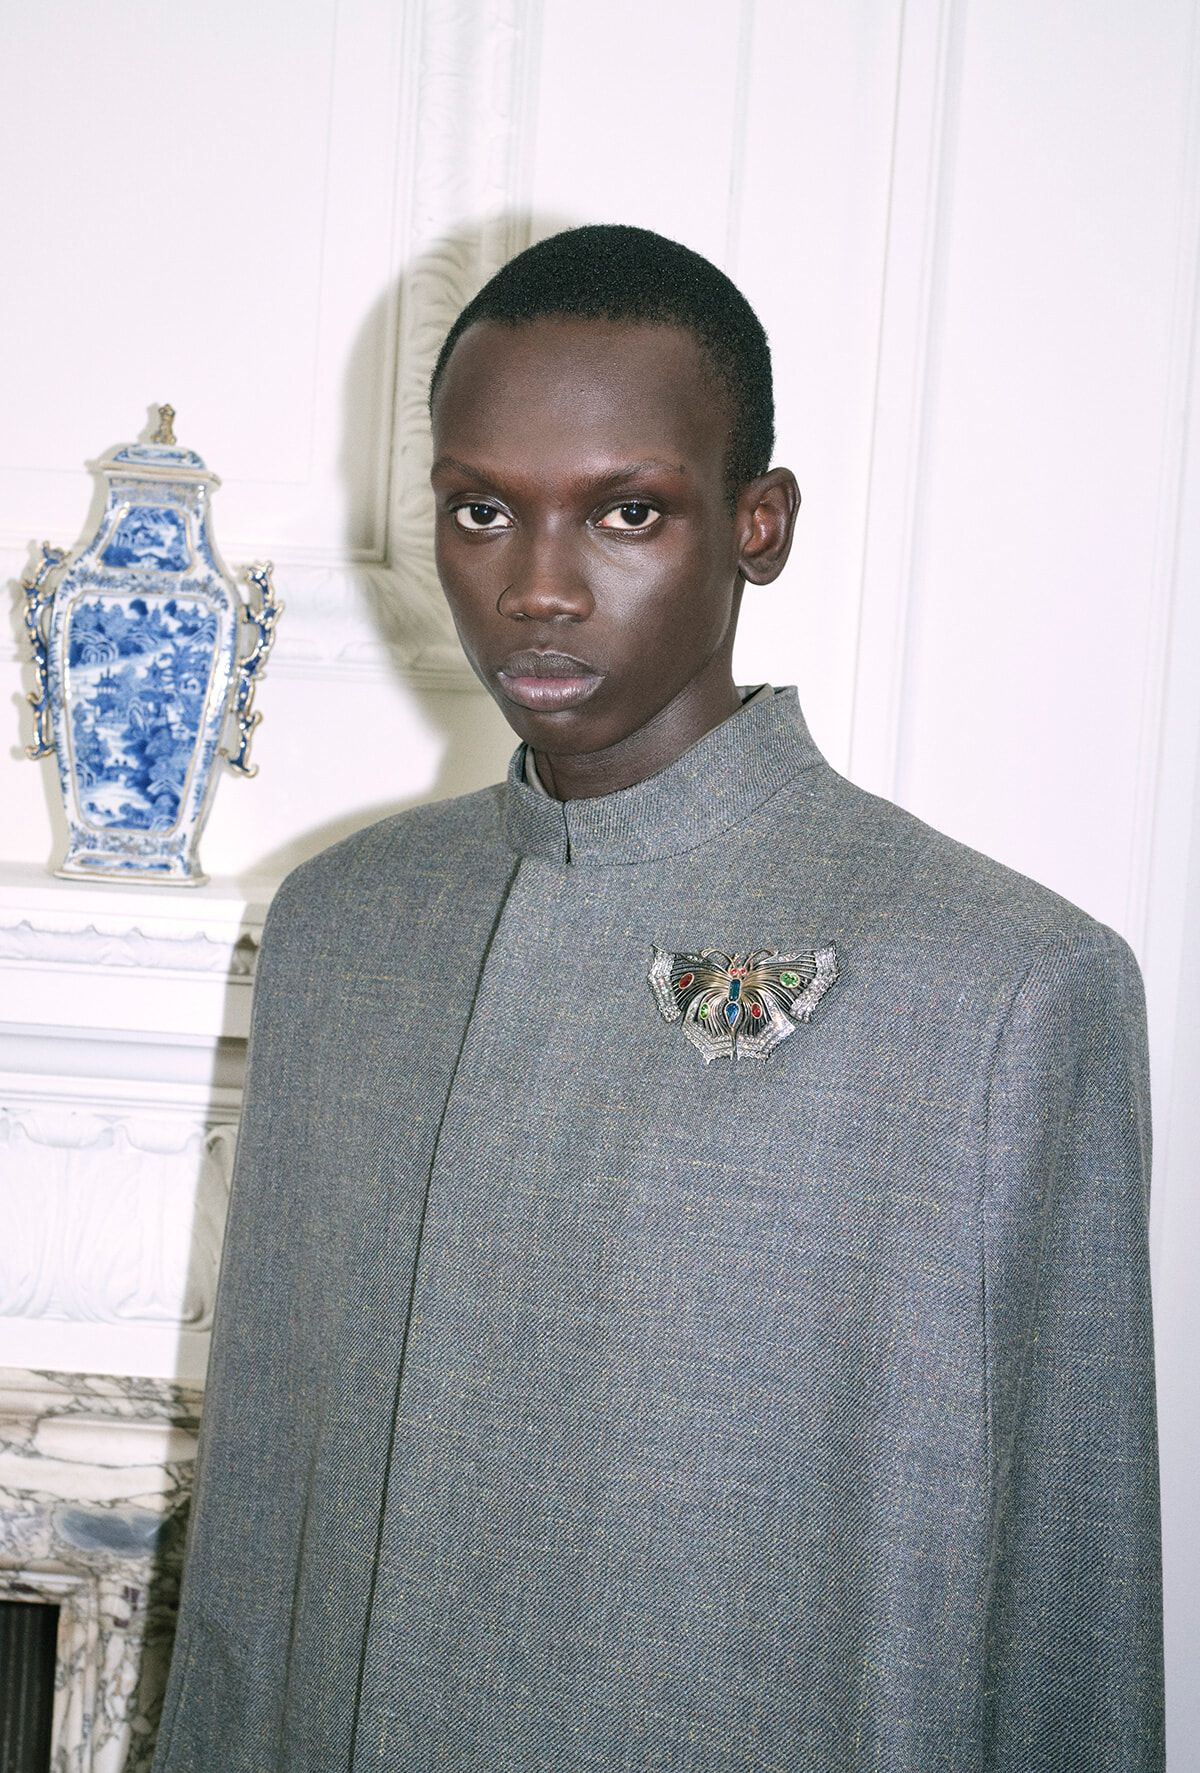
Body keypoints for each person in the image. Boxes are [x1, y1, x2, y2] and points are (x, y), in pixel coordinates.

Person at [153, 226, 1163, 1772]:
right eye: (483, 510)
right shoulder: (343, 929)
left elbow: (1068, 1621)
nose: (538, 587)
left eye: (627, 511)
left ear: (759, 525)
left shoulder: (1007, 987)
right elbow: (257, 1544)